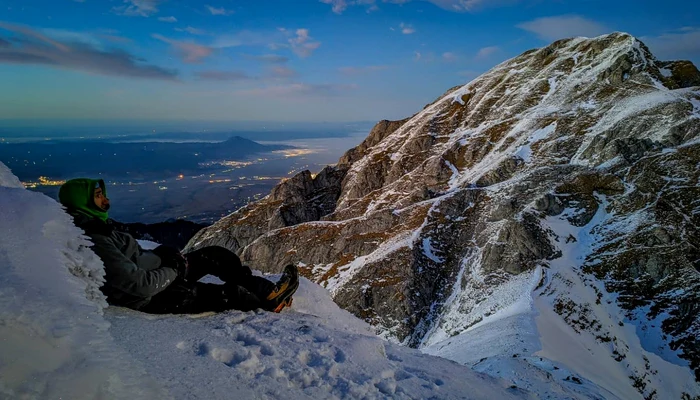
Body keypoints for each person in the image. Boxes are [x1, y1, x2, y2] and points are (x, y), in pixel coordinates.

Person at [57, 178, 298, 314]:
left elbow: (135, 258)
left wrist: (161, 255)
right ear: (83, 200)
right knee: (230, 295)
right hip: (155, 295)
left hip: (162, 271)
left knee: (216, 255)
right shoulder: (95, 239)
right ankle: (269, 306)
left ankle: (269, 291)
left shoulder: (100, 227)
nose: (105, 199)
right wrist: (171, 269)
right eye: (98, 195)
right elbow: (138, 286)